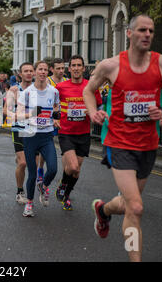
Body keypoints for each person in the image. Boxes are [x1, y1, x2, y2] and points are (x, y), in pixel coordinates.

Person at [83, 14, 162, 262]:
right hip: (119, 143)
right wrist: (93, 111)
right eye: (141, 30)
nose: (147, 34)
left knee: (128, 205)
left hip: (148, 144)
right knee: (136, 207)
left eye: (151, 31)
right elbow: (88, 89)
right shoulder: (111, 65)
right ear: (129, 33)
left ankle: (103, 210)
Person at [55, 55, 103, 210]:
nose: (76, 68)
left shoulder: (90, 87)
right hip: (66, 132)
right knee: (74, 166)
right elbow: (53, 106)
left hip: (83, 133)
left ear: (83, 68)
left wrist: (95, 113)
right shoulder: (61, 87)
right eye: (73, 65)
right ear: (69, 69)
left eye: (79, 65)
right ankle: (63, 186)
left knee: (75, 171)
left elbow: (98, 106)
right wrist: (54, 118)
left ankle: (66, 193)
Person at [16, 61, 61, 217]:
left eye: (45, 70)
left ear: (48, 72)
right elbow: (18, 115)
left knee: (54, 168)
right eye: (40, 69)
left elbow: (56, 107)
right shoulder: (27, 92)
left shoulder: (54, 92)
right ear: (35, 72)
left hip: (47, 135)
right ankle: (29, 204)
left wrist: (56, 118)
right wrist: (32, 113)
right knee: (32, 173)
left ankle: (43, 186)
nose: (42, 72)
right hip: (30, 136)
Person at [4, 62, 35, 204]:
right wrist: (15, 114)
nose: (28, 73)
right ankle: (20, 191)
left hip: (35, 130)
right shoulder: (14, 90)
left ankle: (34, 188)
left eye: (31, 71)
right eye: (25, 71)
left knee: (32, 164)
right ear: (20, 74)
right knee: (23, 163)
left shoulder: (40, 90)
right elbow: (5, 110)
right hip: (19, 129)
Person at [37, 58, 70, 182]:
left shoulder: (67, 81)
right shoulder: (47, 82)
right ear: (52, 69)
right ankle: (40, 168)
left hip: (65, 119)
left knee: (66, 149)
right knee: (46, 146)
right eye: (58, 68)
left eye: (63, 68)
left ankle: (65, 177)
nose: (61, 71)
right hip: (50, 118)